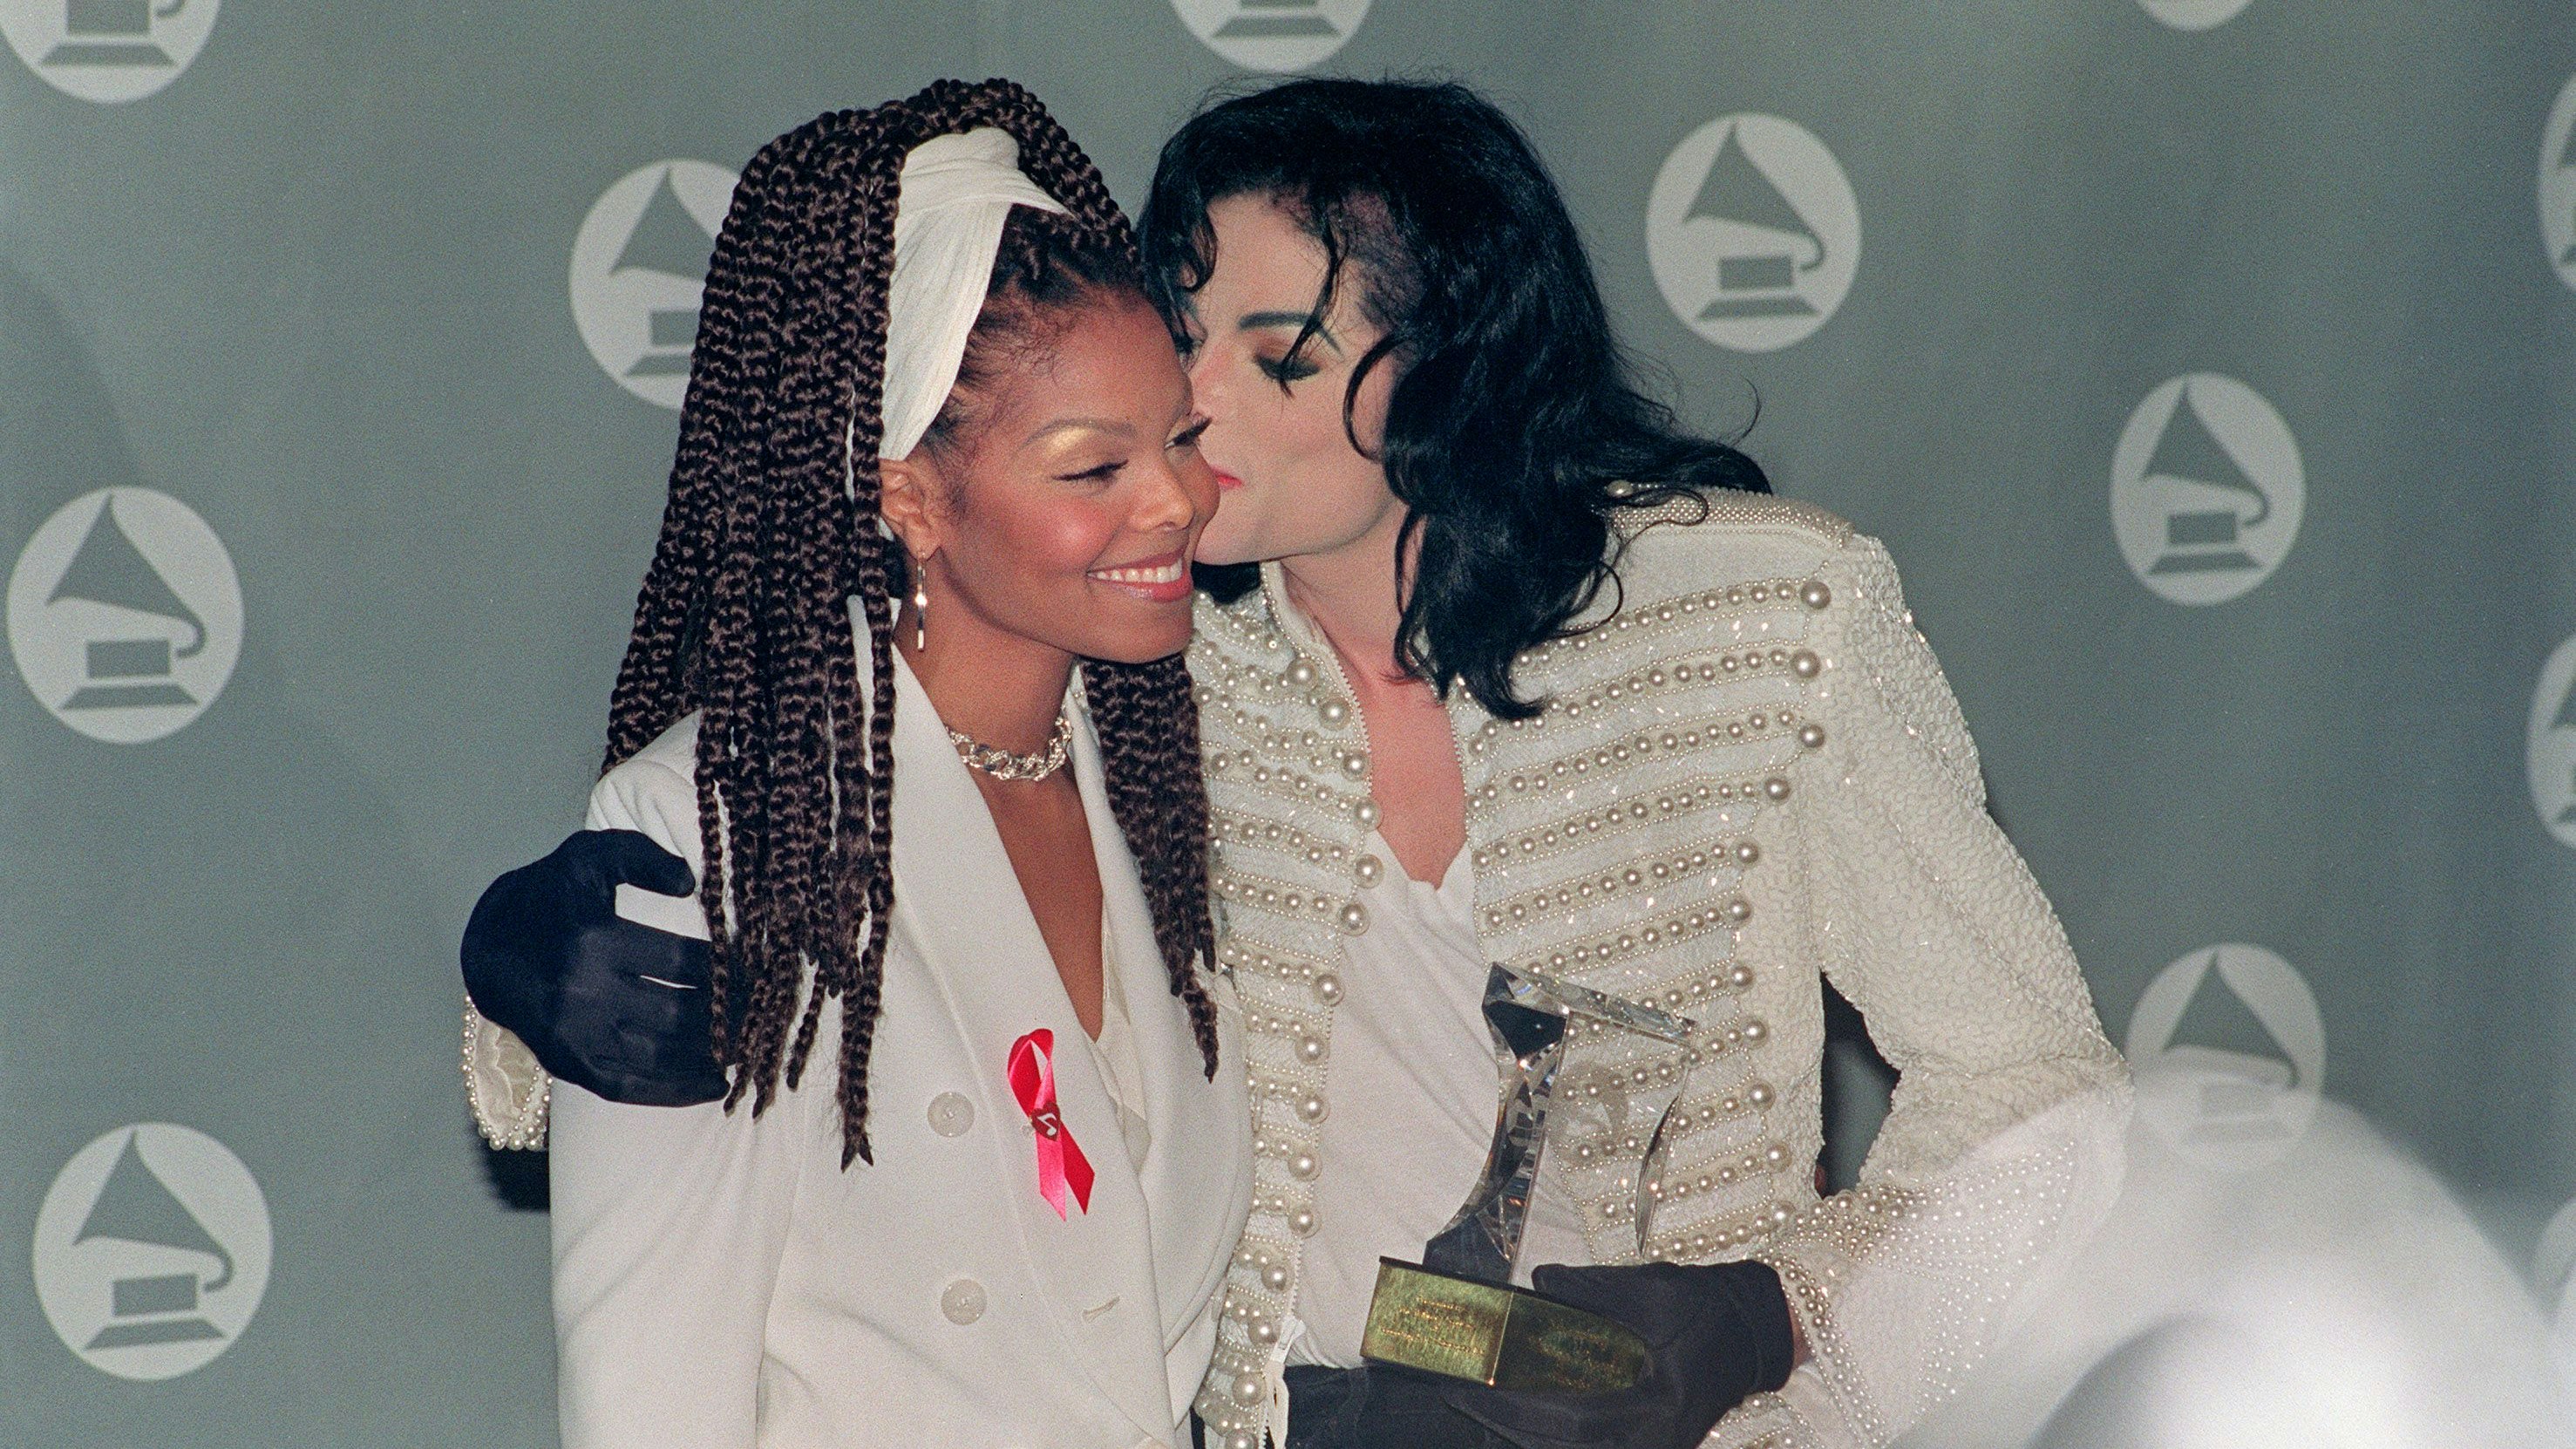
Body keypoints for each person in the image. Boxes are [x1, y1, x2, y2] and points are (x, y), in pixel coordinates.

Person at [465, 78, 2129, 1449]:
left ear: (1456, 367)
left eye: (1279, 357)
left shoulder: (1763, 620)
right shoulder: (1156, 686)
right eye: (1175, 332)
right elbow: (808, 924)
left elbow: (2047, 1102)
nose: (1189, 412)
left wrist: (1775, 1316)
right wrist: (514, 972)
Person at [472, 78, 1254, 1449]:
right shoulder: (725, 827)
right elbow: (648, 1401)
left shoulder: (1174, 779)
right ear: (911, 498)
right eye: (1093, 468)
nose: (1179, 499)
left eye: (1181, 437)